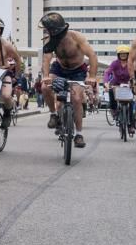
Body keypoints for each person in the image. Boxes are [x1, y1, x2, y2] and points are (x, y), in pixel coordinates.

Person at [39, 12, 98, 148]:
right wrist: (46, 76)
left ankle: (78, 134)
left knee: (77, 99)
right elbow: (47, 59)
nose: (48, 32)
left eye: (49, 30)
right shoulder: (51, 40)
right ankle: (54, 114)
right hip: (59, 69)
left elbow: (92, 56)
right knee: (44, 87)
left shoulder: (76, 37)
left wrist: (92, 76)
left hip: (78, 70)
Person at [103, 44, 134, 135]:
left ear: (128, 54)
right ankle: (114, 112)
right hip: (116, 83)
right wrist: (106, 83)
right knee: (111, 93)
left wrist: (134, 83)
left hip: (129, 84)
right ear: (118, 55)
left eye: (125, 54)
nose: (123, 55)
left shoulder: (131, 63)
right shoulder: (115, 63)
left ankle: (131, 125)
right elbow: (107, 72)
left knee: (131, 103)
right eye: (121, 54)